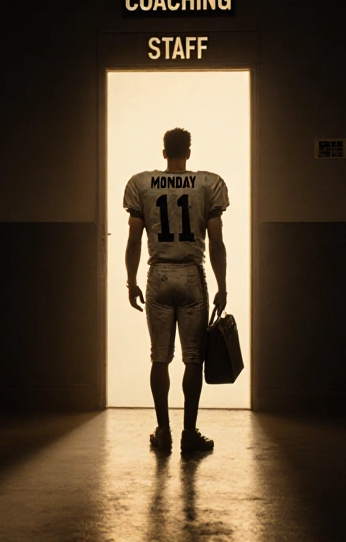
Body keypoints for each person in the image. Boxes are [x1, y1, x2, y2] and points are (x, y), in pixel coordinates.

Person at [123, 127, 229, 453]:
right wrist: (223, 286)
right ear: (189, 151)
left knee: (159, 358)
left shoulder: (141, 184)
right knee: (193, 359)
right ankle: (189, 433)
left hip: (158, 272)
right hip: (191, 272)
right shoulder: (209, 184)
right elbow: (217, 243)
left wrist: (131, 282)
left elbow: (133, 241)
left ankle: (164, 430)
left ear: (164, 151)